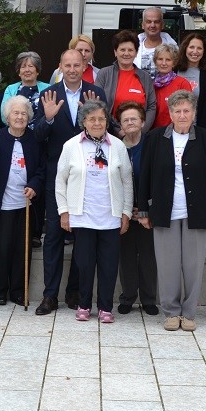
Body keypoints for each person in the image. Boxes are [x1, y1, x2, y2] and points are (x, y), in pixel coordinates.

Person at [137, 90, 206, 331]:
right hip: (165, 211)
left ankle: (189, 313)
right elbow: (143, 176)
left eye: (187, 110)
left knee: (193, 265)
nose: (182, 114)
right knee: (167, 265)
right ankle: (171, 312)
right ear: (171, 113)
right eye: (178, 111)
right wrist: (143, 210)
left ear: (194, 113)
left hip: (197, 212)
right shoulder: (156, 138)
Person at [31, 49, 106, 315]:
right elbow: (38, 134)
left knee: (82, 235)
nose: (73, 69)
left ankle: (75, 292)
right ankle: (49, 295)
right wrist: (49, 117)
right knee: (53, 235)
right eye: (68, 65)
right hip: (57, 175)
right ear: (60, 66)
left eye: (77, 64)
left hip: (89, 176)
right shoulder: (48, 94)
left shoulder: (96, 93)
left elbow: (103, 131)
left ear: (85, 65)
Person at [55, 100, 133, 323]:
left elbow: (127, 180)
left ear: (107, 121)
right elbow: (61, 181)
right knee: (85, 263)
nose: (97, 123)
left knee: (108, 264)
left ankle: (106, 307)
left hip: (110, 216)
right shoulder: (71, 146)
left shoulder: (117, 145)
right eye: (92, 119)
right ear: (84, 122)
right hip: (82, 215)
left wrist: (126, 211)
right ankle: (84, 304)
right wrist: (64, 212)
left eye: (101, 118)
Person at [0, 95, 45, 305]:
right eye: (15, 113)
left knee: (22, 250)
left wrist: (34, 185)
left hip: (25, 204)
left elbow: (41, 169)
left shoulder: (35, 139)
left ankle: (19, 291)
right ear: (7, 117)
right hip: (1, 205)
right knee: (0, 249)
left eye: (24, 113)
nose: (20, 117)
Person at [116, 101, 158, 316]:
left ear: (142, 122)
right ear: (120, 124)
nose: (130, 122)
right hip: (122, 212)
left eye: (134, 118)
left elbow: (158, 180)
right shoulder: (115, 147)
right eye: (125, 120)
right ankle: (128, 296)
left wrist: (145, 210)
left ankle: (149, 298)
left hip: (147, 213)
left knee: (149, 255)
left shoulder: (152, 145)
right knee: (127, 256)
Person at [95, 30, 157, 134]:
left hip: (139, 136)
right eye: (122, 49)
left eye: (130, 50)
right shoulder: (104, 74)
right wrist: (118, 131)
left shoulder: (145, 77)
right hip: (110, 134)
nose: (126, 53)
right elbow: (98, 104)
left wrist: (141, 130)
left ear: (136, 52)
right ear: (115, 52)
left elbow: (152, 106)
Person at [151, 44, 194, 129]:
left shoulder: (182, 83)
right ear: (155, 62)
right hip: (155, 132)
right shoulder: (151, 85)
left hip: (176, 131)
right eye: (160, 59)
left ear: (174, 63)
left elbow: (188, 111)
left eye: (168, 60)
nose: (163, 63)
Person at [3, 51, 50, 124]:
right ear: (19, 72)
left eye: (31, 66)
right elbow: (4, 116)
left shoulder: (48, 88)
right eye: (23, 67)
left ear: (37, 71)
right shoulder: (10, 89)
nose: (27, 70)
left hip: (42, 132)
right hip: (17, 132)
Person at [136, 6, 178, 79]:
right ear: (143, 25)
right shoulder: (134, 48)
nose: (152, 25)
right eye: (149, 22)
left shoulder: (174, 49)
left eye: (156, 22)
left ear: (162, 25)